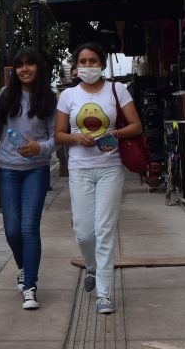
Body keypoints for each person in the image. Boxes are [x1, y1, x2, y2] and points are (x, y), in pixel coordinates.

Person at [54, 42, 142, 315]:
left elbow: (136, 125)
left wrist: (113, 135)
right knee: (83, 232)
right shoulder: (68, 95)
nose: (88, 66)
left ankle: (104, 293)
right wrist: (75, 137)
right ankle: (90, 266)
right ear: (76, 66)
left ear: (102, 64)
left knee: (104, 230)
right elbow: (58, 134)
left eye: (93, 61)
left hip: (110, 167)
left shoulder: (117, 89)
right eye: (83, 61)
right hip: (79, 169)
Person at [0, 47, 57, 310]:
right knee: (12, 229)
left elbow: (55, 138)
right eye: (19, 65)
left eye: (30, 64)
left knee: (29, 228)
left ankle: (30, 286)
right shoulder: (6, 95)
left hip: (36, 170)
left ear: (39, 68)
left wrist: (40, 148)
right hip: (6, 170)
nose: (24, 69)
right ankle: (23, 266)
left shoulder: (49, 98)